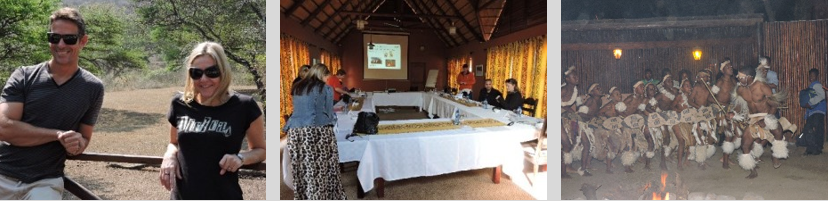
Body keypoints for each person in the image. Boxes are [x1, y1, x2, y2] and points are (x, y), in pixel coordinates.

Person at [0, 7, 104, 200]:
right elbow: (4, 128)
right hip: (3, 173)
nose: (61, 44)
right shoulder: (24, 75)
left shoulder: (93, 87)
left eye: (69, 39)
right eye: (54, 38)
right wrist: (57, 135)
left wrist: (77, 144)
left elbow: (84, 138)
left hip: (45, 181)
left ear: (83, 41)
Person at [160, 42, 266, 199]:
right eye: (196, 73)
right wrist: (169, 156)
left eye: (212, 72)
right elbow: (174, 142)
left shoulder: (244, 106)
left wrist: (240, 158)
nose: (204, 79)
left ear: (223, 71)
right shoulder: (180, 103)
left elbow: (261, 150)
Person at [284, 63, 347, 199]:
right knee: (322, 167)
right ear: (322, 75)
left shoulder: (297, 87)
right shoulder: (326, 89)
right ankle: (323, 196)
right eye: (326, 78)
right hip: (318, 132)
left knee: (303, 167)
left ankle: (305, 196)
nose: (327, 81)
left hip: (296, 133)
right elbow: (329, 114)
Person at [733, 66, 788, 179]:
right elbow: (738, 106)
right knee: (745, 144)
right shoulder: (740, 89)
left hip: (766, 115)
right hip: (753, 118)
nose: (738, 78)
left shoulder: (761, 86)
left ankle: (775, 155)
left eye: (741, 77)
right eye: (738, 76)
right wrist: (732, 113)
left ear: (749, 77)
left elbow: (774, 105)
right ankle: (752, 169)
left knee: (778, 131)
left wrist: (767, 118)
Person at [801, 68, 825, 155]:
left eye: (813, 76)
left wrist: (810, 103)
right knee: (815, 129)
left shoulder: (816, 85)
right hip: (815, 111)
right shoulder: (812, 86)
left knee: (811, 129)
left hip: (818, 110)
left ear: (817, 76)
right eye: (810, 76)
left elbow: (822, 96)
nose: (811, 77)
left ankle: (814, 148)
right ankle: (815, 148)